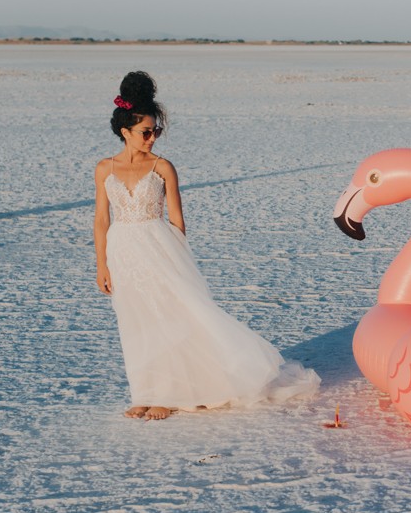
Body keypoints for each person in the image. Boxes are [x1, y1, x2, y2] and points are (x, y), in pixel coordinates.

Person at [93, 71, 320, 420]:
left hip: (158, 248)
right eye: (145, 132)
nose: (152, 137)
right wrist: (102, 265)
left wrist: (179, 261)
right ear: (125, 132)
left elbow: (177, 220)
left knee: (171, 317)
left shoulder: (163, 167)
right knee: (135, 321)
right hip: (123, 250)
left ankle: (168, 395)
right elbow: (102, 220)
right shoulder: (104, 169)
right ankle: (145, 392)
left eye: (156, 131)